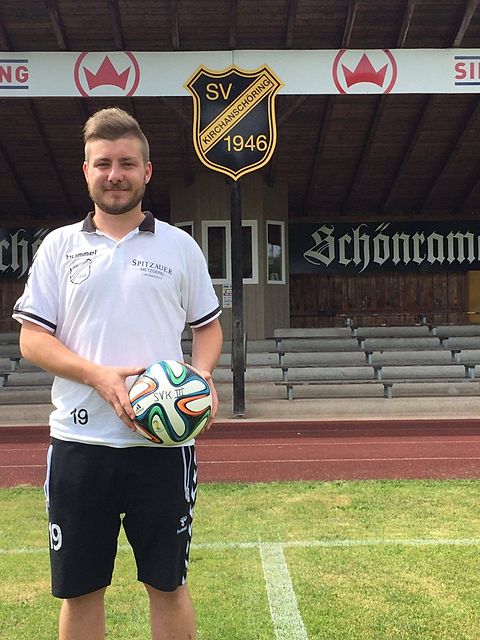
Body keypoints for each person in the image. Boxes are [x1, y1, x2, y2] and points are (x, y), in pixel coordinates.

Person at [12, 107, 223, 640]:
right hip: (80, 444)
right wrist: (98, 376)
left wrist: (200, 376)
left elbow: (208, 327)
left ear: (146, 171)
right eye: (103, 163)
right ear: (86, 170)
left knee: (168, 585)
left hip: (163, 448)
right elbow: (32, 339)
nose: (115, 174)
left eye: (127, 163)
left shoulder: (179, 246)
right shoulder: (59, 247)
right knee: (80, 590)